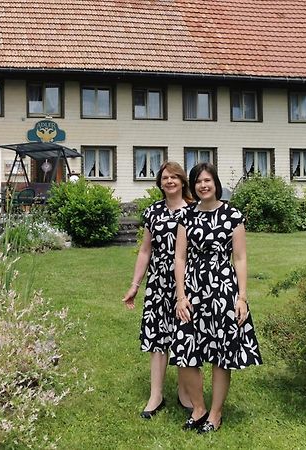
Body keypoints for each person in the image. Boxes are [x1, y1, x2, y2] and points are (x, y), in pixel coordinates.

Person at [170, 162, 262, 433]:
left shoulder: (232, 214)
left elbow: (241, 257)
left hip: (223, 289)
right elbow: (180, 257)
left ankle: (215, 414)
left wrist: (242, 297)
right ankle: (198, 408)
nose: (203, 185)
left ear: (215, 182)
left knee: (221, 354)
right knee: (186, 349)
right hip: (193, 290)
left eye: (207, 180)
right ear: (193, 186)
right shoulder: (186, 216)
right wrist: (180, 296)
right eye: (198, 181)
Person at [122, 161, 195, 419]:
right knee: (157, 338)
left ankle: (185, 393)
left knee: (186, 338)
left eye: (175, 177)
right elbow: (145, 250)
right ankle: (156, 395)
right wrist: (135, 285)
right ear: (159, 183)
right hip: (158, 284)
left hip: (188, 285)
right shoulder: (153, 212)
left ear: (183, 181)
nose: (170, 181)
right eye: (165, 177)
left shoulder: (194, 211)